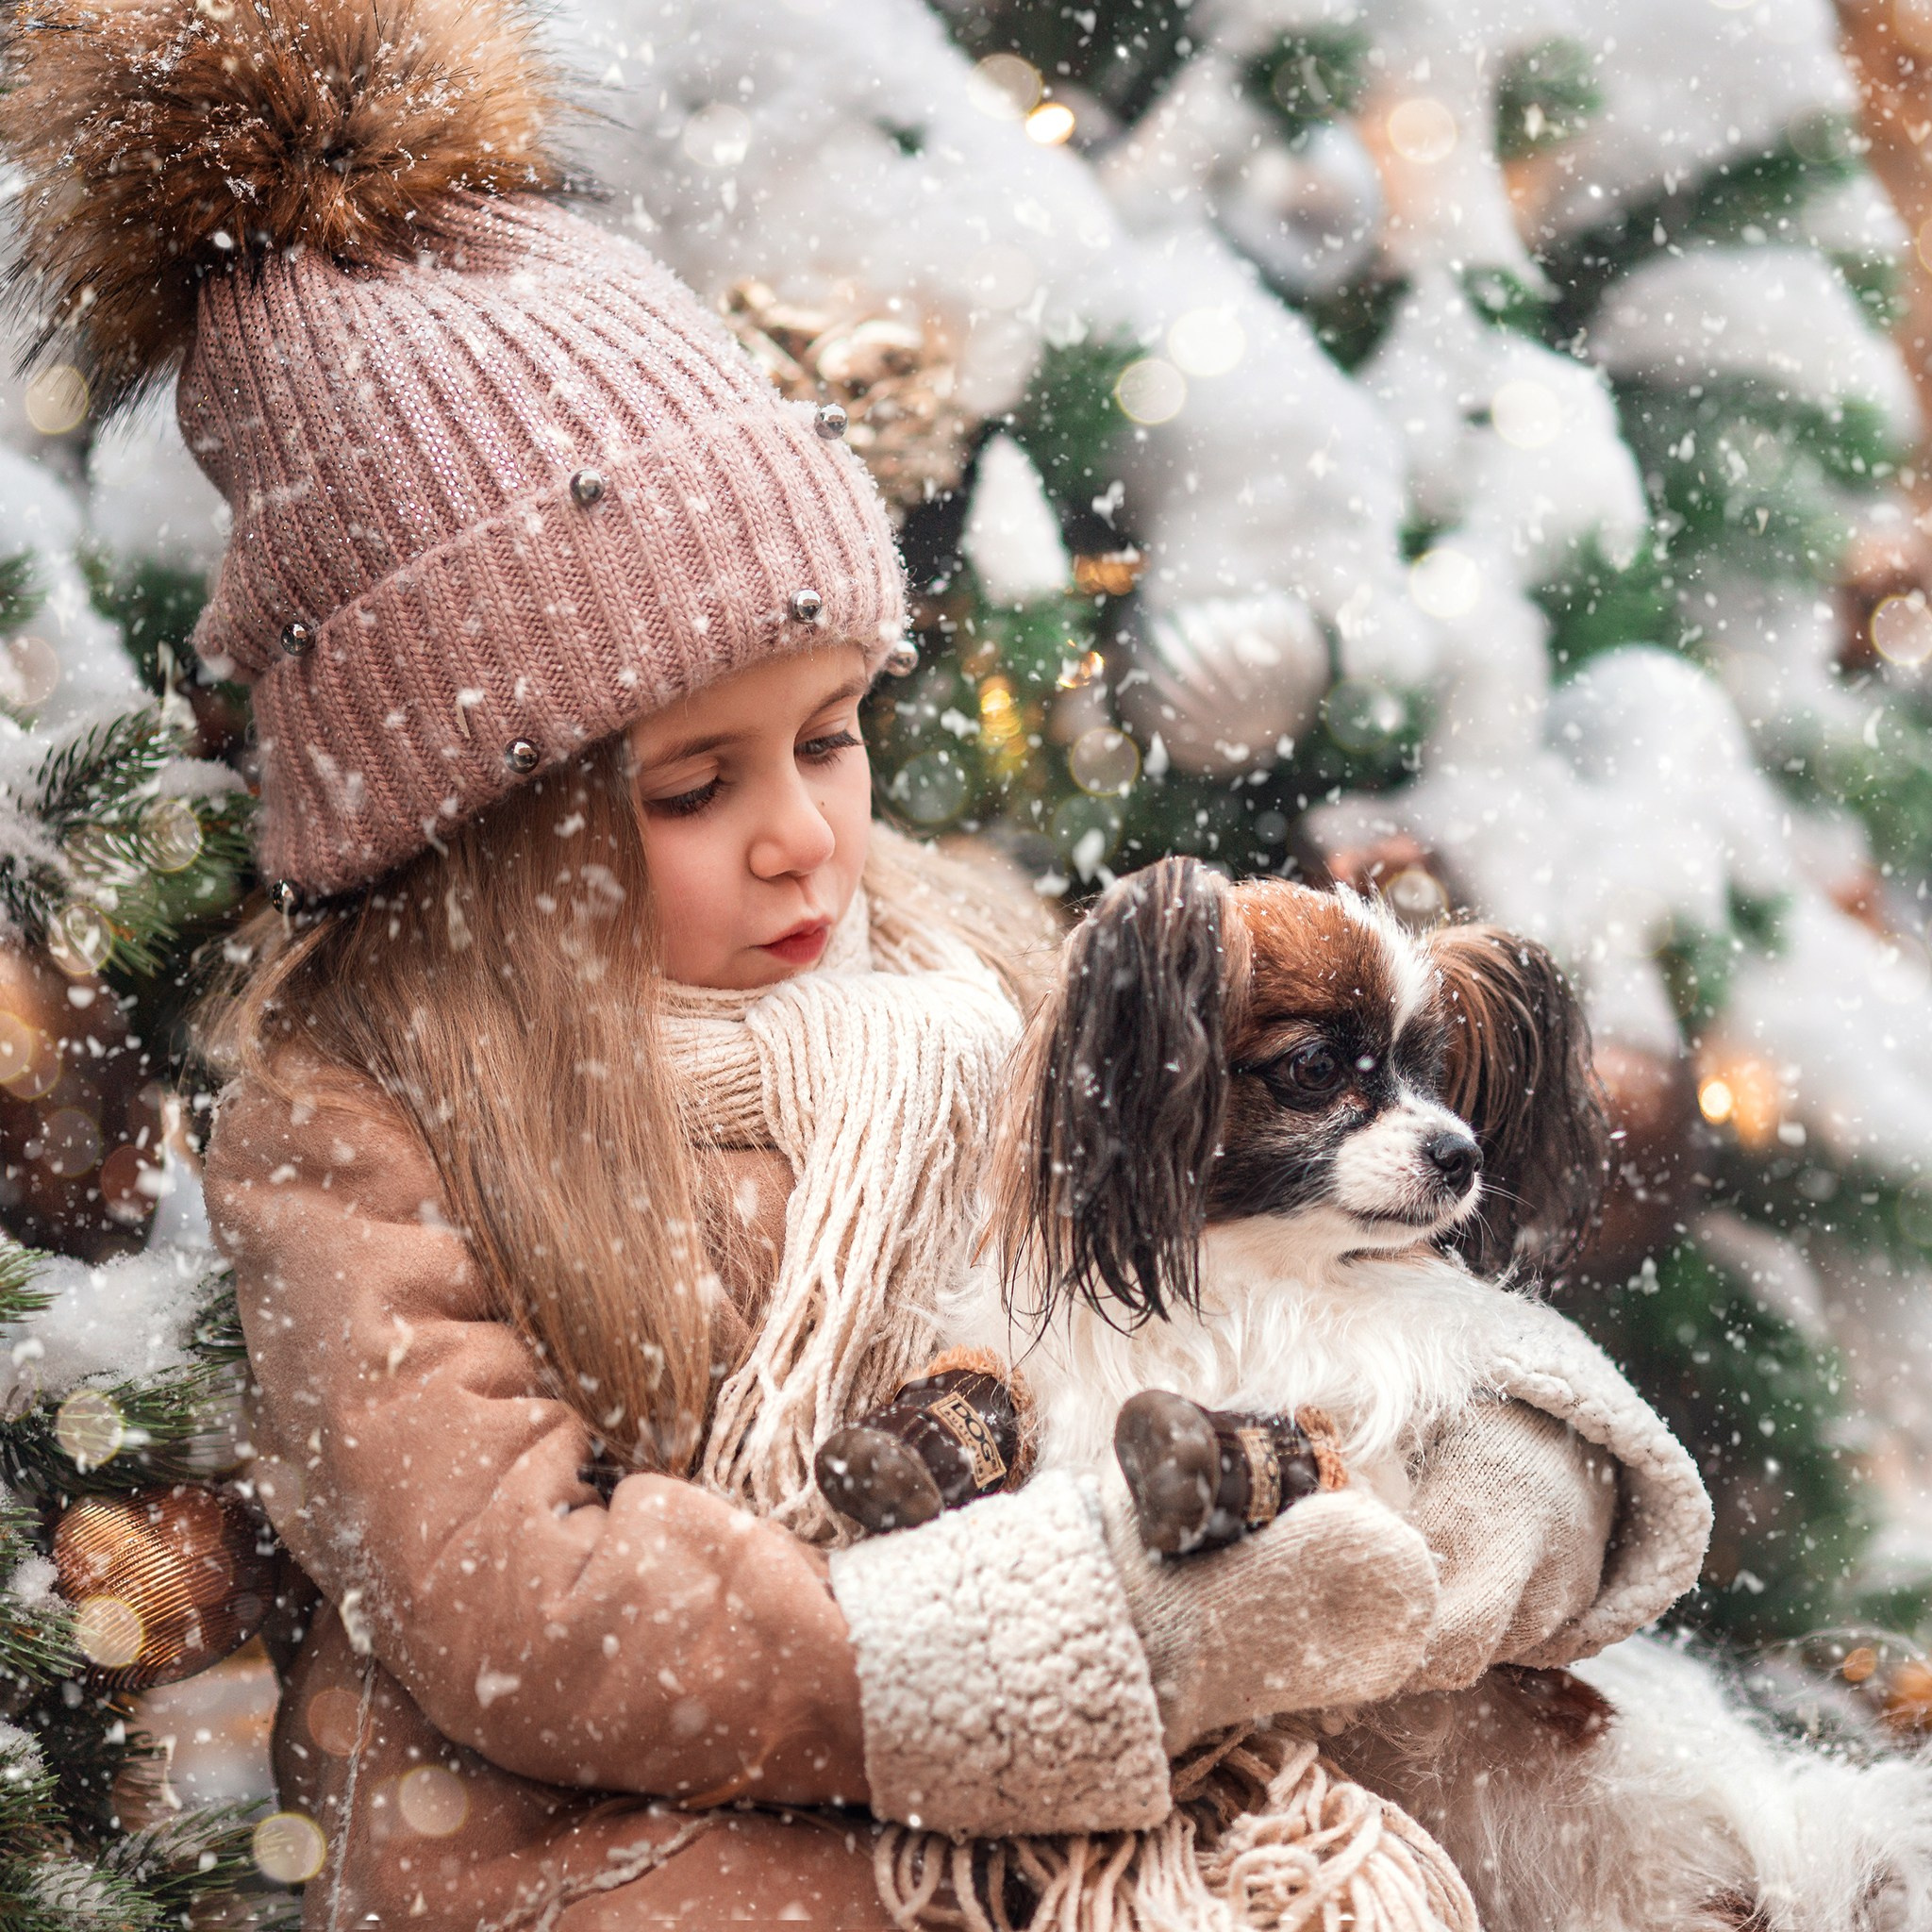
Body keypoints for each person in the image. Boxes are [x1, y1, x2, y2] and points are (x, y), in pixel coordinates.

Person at [0, 2, 1707, 1925]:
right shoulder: (363, 1126)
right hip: (612, 1836)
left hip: (1061, 1786)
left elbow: (1257, 1286)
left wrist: (1480, 1485)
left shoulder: (968, 961)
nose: (802, 832)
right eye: (690, 786)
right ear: (478, 835)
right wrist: (1070, 1637)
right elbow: (515, 1605)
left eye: (829, 736)